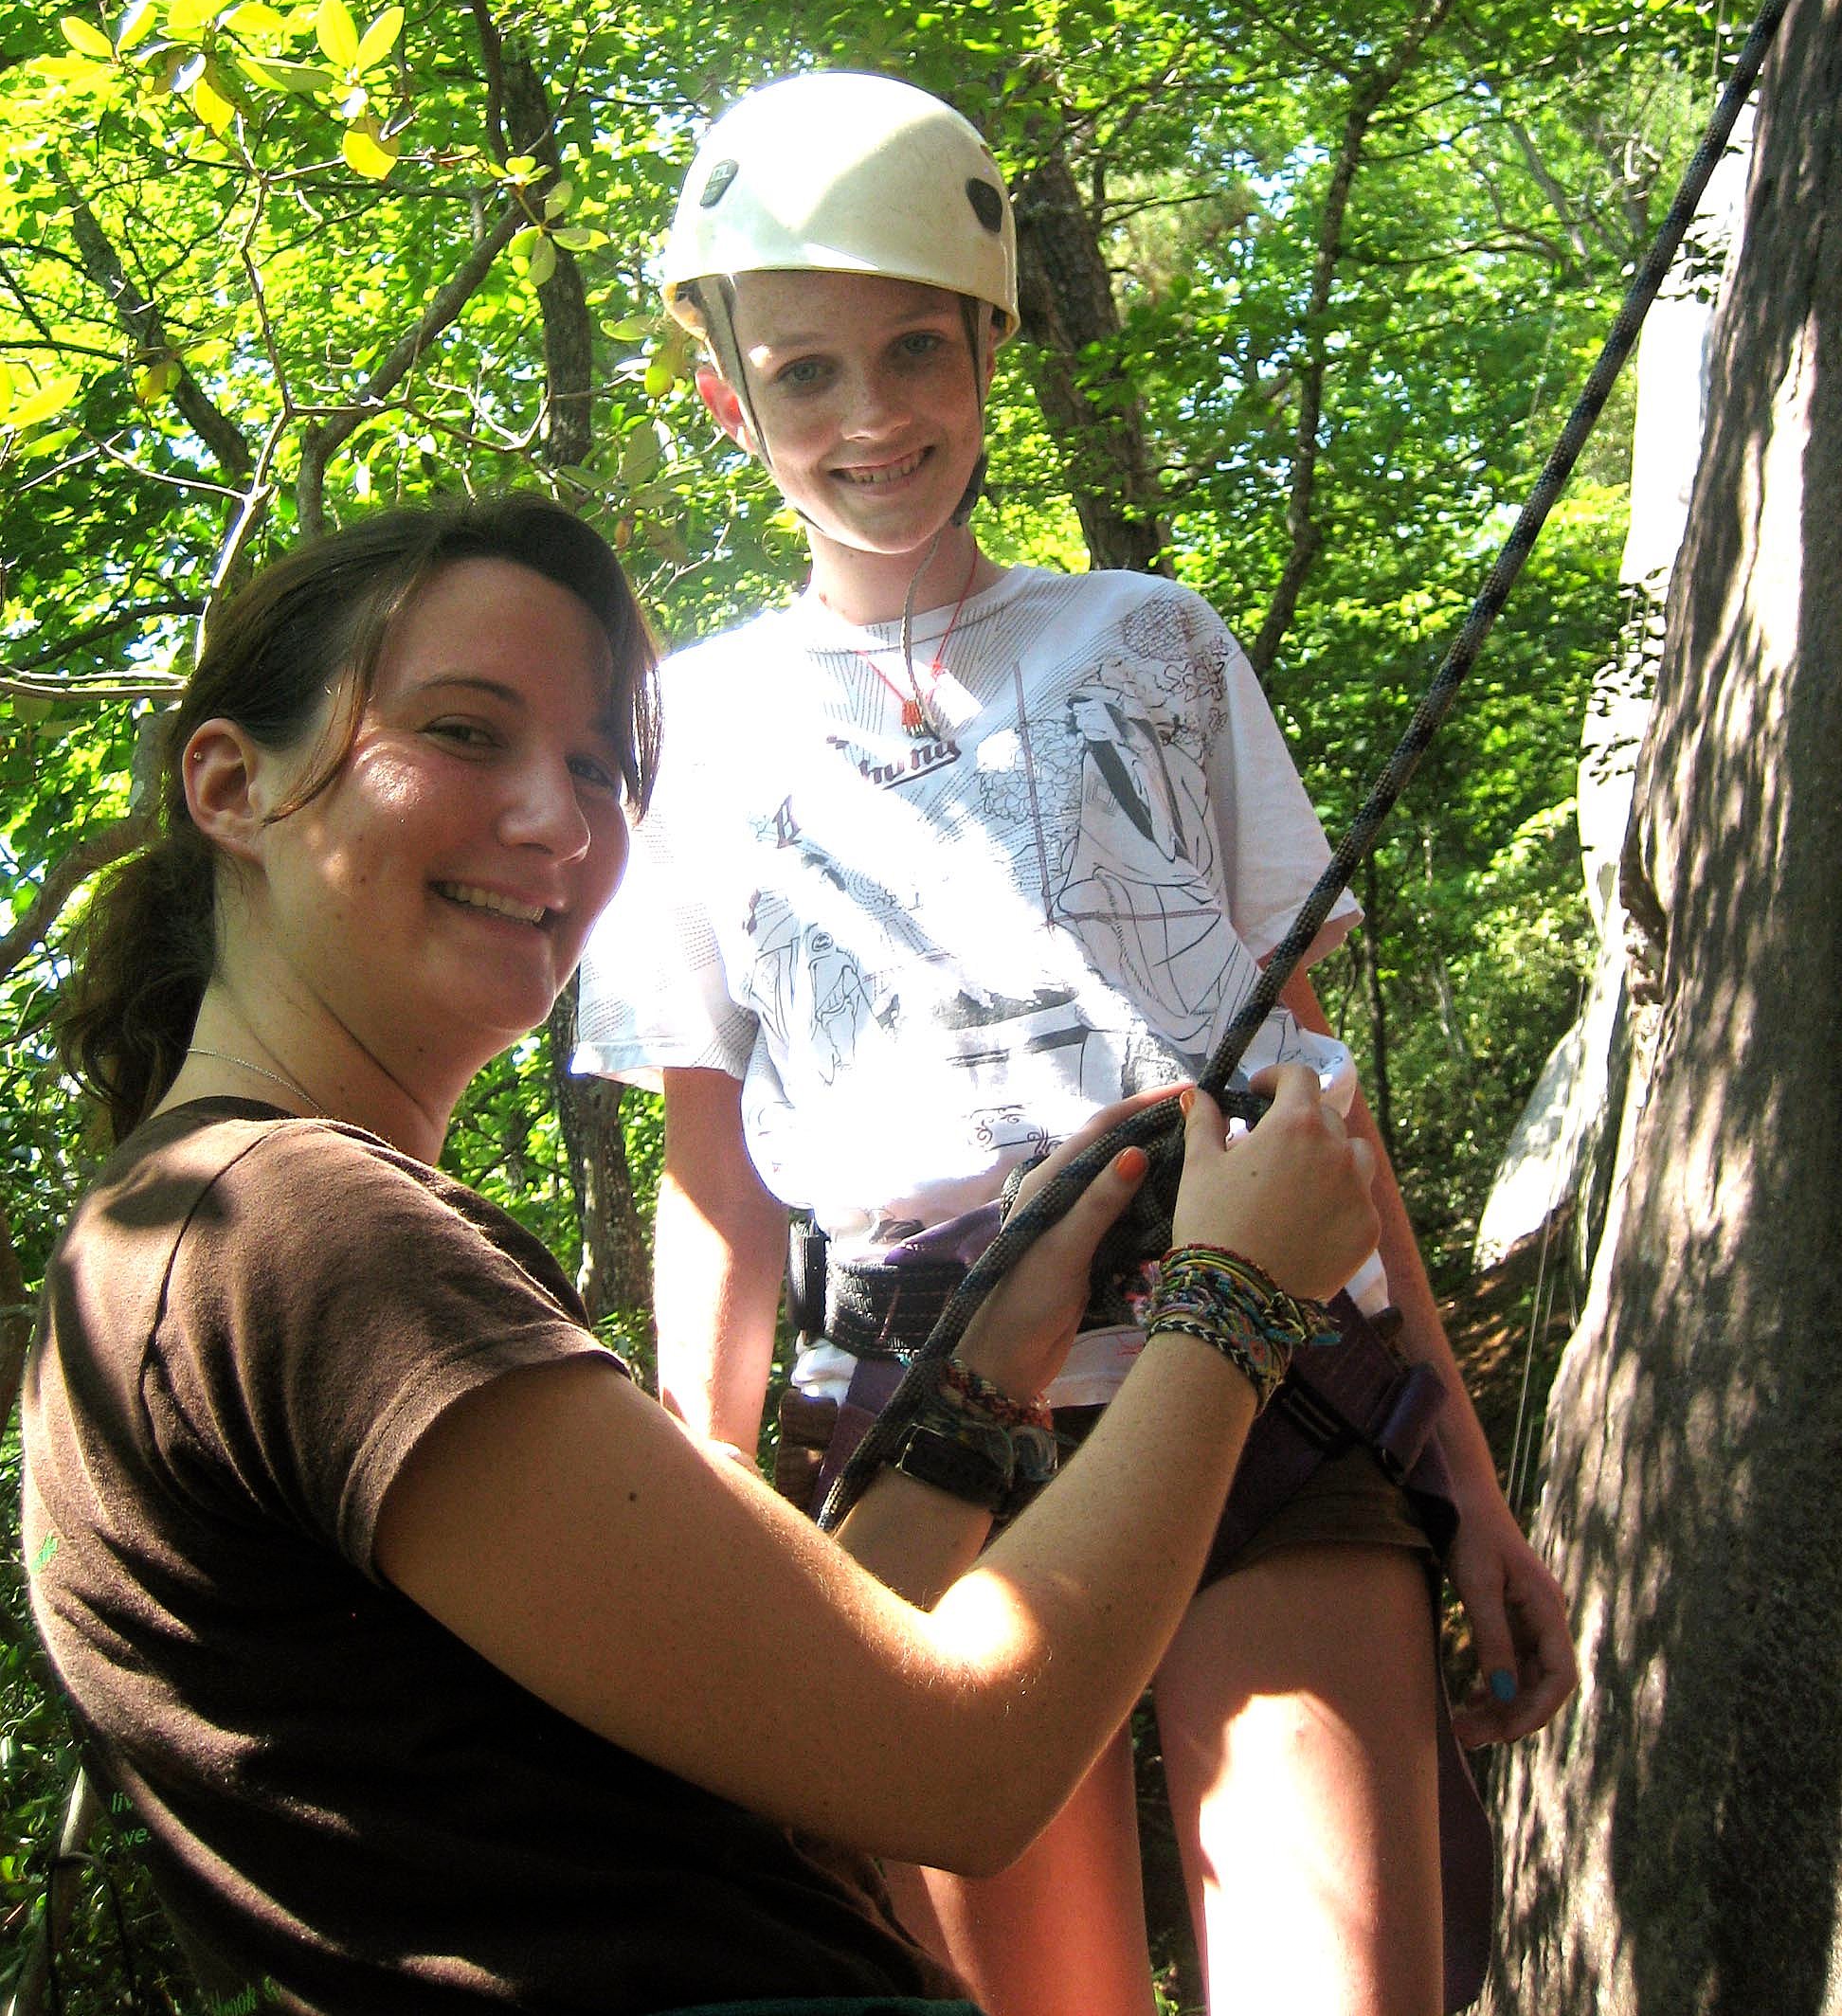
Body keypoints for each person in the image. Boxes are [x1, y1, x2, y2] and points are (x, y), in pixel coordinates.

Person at [20, 494, 1385, 2016]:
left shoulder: (194, 1232)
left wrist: (987, 1380)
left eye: (600, 768)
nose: (560, 821)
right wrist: (1235, 1305)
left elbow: (769, 1739)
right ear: (233, 785)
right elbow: (956, 1767)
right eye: (465, 732)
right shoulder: (300, 1236)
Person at [573, 72, 1579, 2016]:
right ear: (727, 402)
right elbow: (717, 1179)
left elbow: (1311, 1099)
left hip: (1270, 1377)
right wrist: (717, 1555)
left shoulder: (1153, 642)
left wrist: (1468, 1483)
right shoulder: (681, 736)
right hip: (936, 1425)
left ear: (988, 351)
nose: (869, 415)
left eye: (914, 351)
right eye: (803, 374)